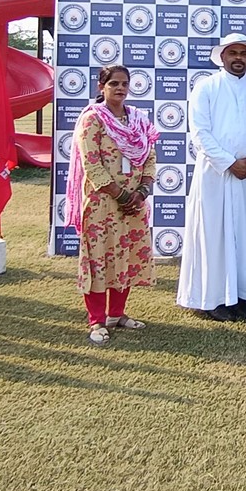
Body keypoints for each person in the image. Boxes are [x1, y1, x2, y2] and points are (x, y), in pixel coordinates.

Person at [176, 33, 246, 322]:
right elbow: (200, 132)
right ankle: (213, 298)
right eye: (233, 53)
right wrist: (229, 162)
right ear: (222, 57)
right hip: (216, 174)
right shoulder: (206, 87)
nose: (238, 58)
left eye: (243, 53)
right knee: (214, 236)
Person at [66, 65, 159, 345]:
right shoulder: (92, 119)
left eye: (124, 84)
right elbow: (92, 165)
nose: (120, 88)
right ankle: (96, 320)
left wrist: (142, 191)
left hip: (134, 203)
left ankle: (116, 315)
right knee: (99, 258)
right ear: (101, 87)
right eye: (113, 83)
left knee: (126, 256)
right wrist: (121, 195)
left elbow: (150, 156)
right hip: (103, 202)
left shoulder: (138, 120)